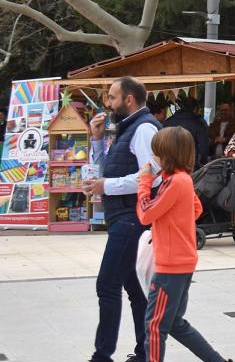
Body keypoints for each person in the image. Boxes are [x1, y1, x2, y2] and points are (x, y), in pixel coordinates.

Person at [136, 126, 233, 362]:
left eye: (157, 153)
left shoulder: (174, 183)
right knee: (176, 323)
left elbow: (145, 214)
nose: (154, 159)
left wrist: (145, 183)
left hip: (170, 265)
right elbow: (196, 209)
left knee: (155, 326)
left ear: (168, 155)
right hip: (183, 261)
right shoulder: (183, 180)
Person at [84, 76, 162, 362]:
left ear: (129, 99)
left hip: (132, 218)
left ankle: (102, 355)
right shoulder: (128, 128)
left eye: (113, 98)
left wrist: (108, 186)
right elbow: (111, 170)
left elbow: (150, 177)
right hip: (124, 217)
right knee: (135, 289)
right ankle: (145, 353)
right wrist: (96, 139)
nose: (108, 103)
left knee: (107, 284)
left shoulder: (143, 129)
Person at [162, 96, 210, 169]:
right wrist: (203, 163)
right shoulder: (199, 123)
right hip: (191, 166)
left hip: (170, 165)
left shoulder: (168, 121)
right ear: (195, 108)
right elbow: (203, 147)